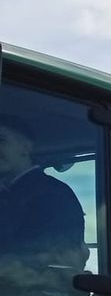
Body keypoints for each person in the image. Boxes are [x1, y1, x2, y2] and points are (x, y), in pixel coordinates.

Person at [0, 113, 85, 270]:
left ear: (26, 147)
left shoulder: (54, 194)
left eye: (2, 140)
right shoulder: (6, 194)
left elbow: (58, 258)